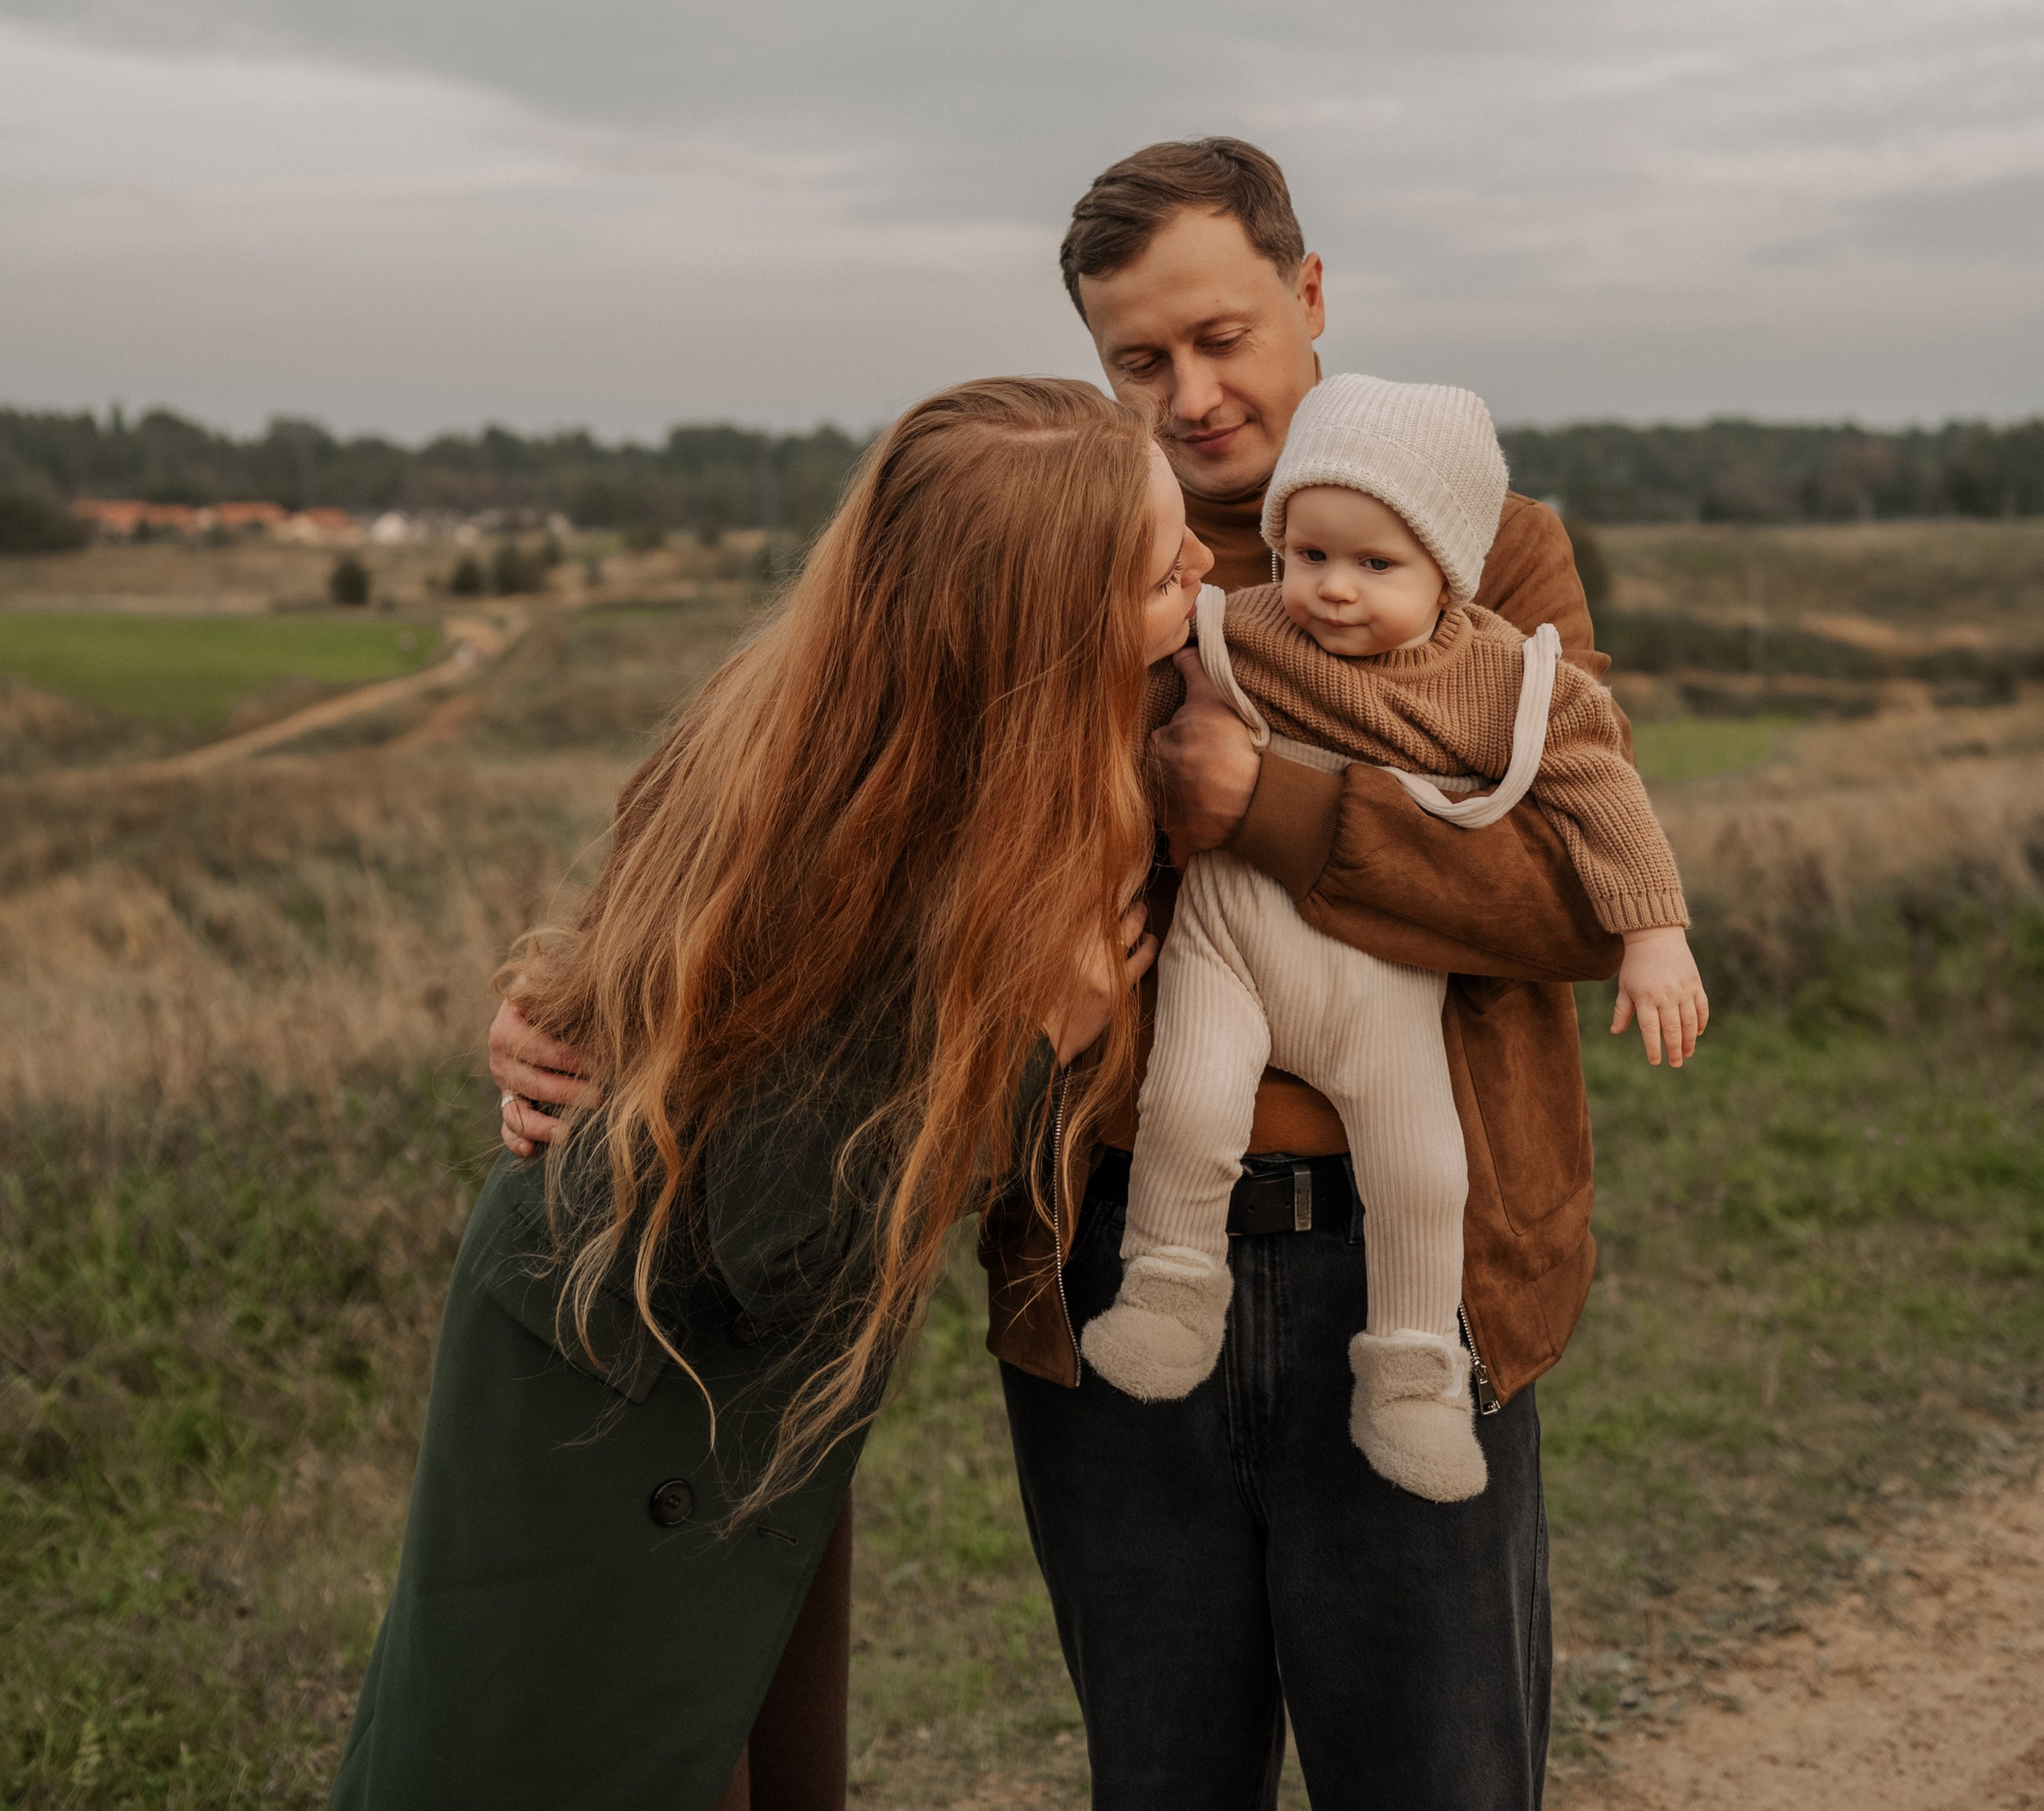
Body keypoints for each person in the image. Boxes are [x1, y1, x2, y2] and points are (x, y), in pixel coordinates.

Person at [496, 137, 1644, 1807]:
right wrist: (595, 1001)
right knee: (1157, 1773)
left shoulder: (1485, 545)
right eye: (1139, 361)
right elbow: (816, 808)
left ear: (1311, 294)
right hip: (1104, 1254)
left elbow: (1582, 895)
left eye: (1224, 337)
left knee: (1437, 1774)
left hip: (1406, 1262)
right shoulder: (1046, 550)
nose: (1190, 396)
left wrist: (1265, 807)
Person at [334, 378, 1200, 1811]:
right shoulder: (830, 800)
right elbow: (784, 1235)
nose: (1208, 576)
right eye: (1166, 571)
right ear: (1040, 631)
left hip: (736, 1386)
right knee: (572, 1752)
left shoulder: (1004, 738)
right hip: (627, 1369)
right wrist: (1045, 1038)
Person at [1079, 369, 1705, 1504]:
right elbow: (1131, 700)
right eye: (1309, 554)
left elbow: (1600, 789)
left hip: (1383, 981)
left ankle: (1414, 1379)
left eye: (1377, 566)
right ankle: (1168, 1292)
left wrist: (1654, 934)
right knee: (1191, 1102)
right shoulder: (1243, 628)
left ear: (1448, 574)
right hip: (1231, 944)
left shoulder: (1497, 680)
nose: (1333, 589)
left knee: (1423, 1172)